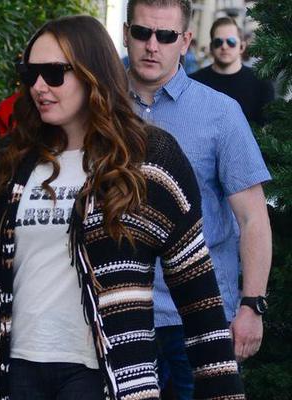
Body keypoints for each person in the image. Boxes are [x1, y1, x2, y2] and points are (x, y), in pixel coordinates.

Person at [0, 15, 244, 400]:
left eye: (54, 73)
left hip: (107, 378)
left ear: (92, 74)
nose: (39, 86)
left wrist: (223, 390)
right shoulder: (6, 162)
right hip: (19, 374)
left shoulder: (149, 160)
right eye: (30, 73)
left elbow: (198, 296)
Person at [123, 0, 272, 398]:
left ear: (185, 41)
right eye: (142, 32)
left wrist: (251, 305)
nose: (152, 45)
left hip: (200, 316)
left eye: (165, 35)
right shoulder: (99, 109)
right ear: (126, 34)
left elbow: (253, 217)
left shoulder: (220, 113)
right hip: (118, 313)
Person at [190, 17, 274, 125]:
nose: (224, 46)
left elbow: (268, 128)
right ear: (211, 47)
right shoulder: (193, 83)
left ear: (242, 47)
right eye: (218, 42)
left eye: (231, 42)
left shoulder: (262, 84)